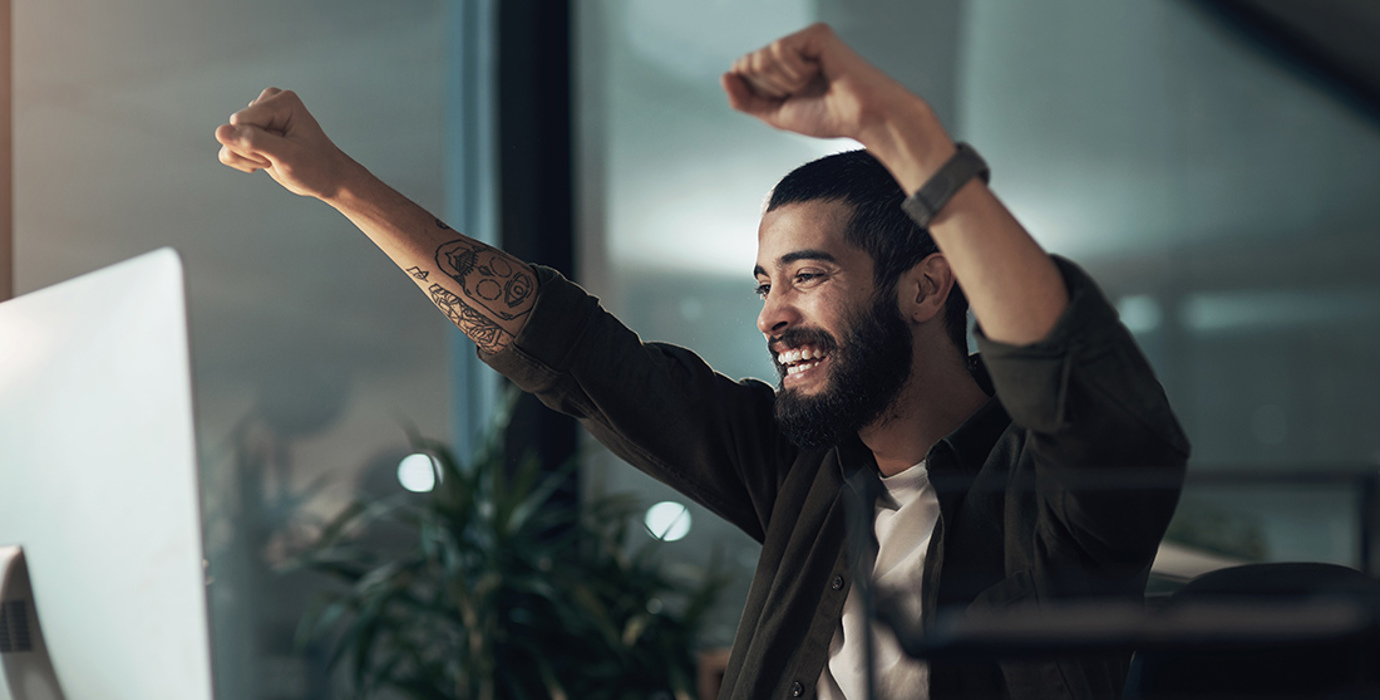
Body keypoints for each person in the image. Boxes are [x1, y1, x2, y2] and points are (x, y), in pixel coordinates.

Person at [216, 23, 1188, 700]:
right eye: (764, 283)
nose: (772, 314)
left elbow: (1074, 383)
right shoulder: (805, 472)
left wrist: (902, 132)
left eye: (807, 276)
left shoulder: (1053, 496)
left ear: (928, 287)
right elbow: (572, 354)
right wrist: (338, 184)